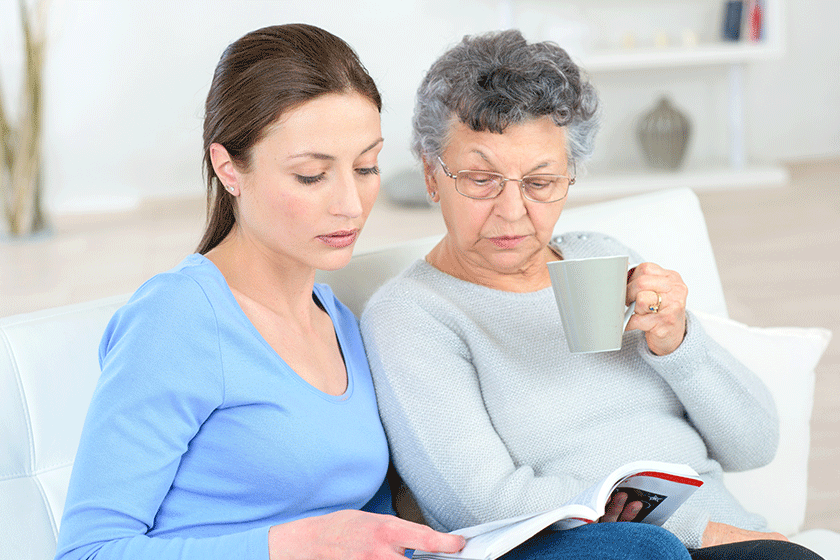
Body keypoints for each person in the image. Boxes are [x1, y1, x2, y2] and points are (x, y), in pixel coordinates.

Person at [53, 23, 690, 560]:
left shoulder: (337, 318)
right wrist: (291, 544)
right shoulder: (178, 319)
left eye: (365, 167)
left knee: (635, 546)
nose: (350, 203)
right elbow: (87, 550)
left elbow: (379, 515)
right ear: (229, 169)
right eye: (310, 175)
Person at [360, 29, 823, 560]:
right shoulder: (412, 315)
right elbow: (478, 504)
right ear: (430, 174)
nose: (512, 211)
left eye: (540, 182)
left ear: (570, 175)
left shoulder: (601, 258)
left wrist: (680, 344)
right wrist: (700, 530)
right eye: (482, 179)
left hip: (741, 540)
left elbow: (756, 445)